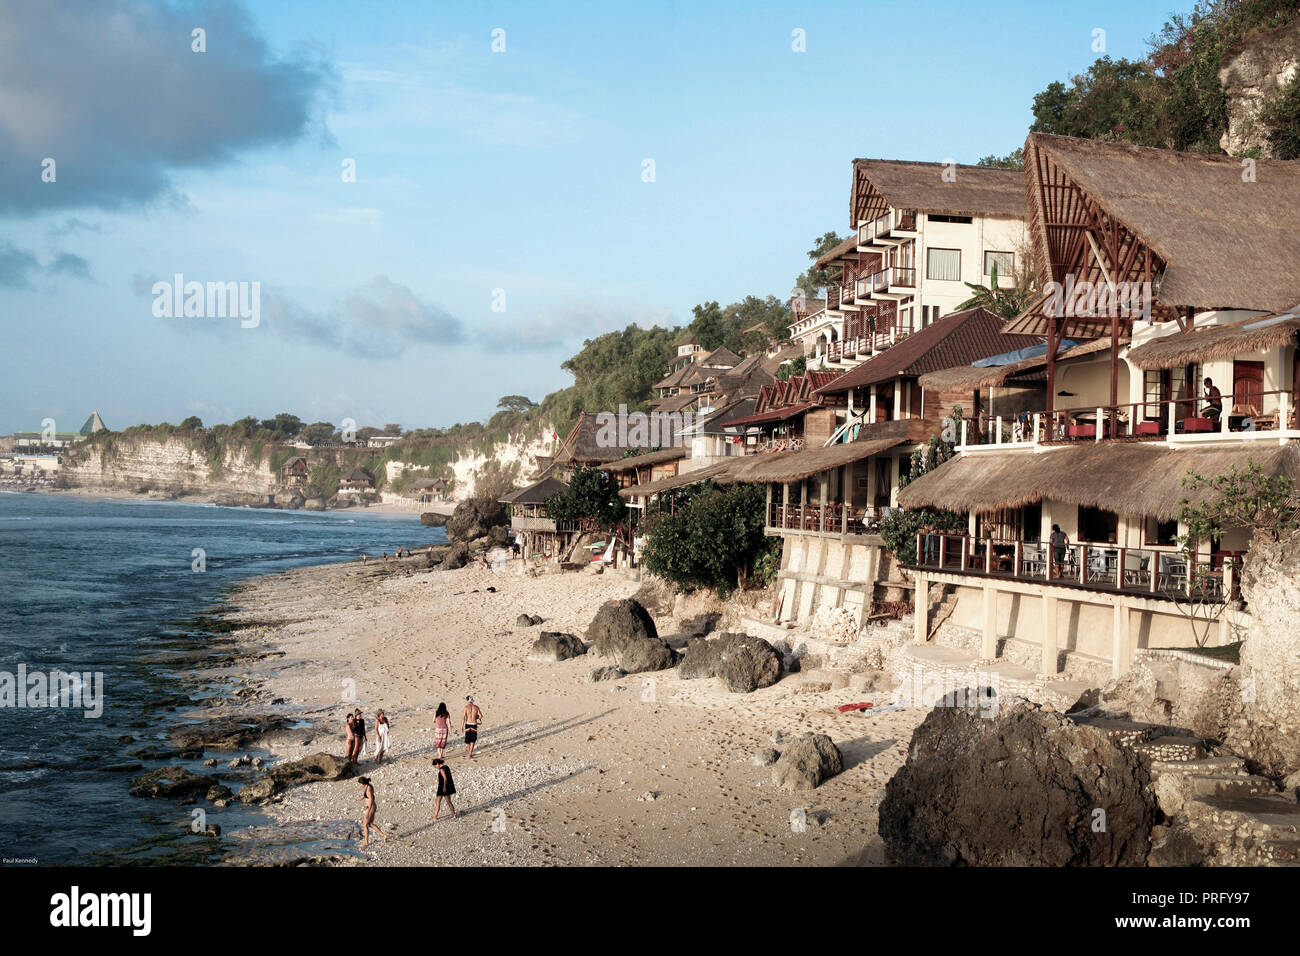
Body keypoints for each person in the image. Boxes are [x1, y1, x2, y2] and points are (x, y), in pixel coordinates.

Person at [358, 776, 389, 847]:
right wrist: (363, 797)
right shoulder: (368, 786)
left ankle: (366, 842)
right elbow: (369, 796)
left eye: (360, 784)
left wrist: (368, 811)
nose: (359, 785)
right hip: (371, 807)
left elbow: (371, 799)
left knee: (365, 825)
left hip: (370, 807)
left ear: (363, 783)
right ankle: (384, 835)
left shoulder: (368, 788)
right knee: (370, 824)